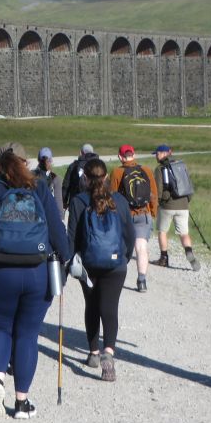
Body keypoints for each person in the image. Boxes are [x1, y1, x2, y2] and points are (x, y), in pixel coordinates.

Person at [0, 143, 71, 420]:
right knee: (27, 335)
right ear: (24, 165)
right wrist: (66, 259)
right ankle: (22, 402)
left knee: (0, 326)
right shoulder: (39, 189)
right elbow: (58, 233)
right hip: (36, 273)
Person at [67, 158, 136, 382]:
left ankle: (94, 352)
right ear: (106, 177)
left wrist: (70, 263)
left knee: (92, 306)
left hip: (88, 264)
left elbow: (72, 238)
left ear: (85, 178)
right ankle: (109, 352)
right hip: (116, 265)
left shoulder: (78, 201)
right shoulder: (119, 201)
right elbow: (130, 235)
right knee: (110, 307)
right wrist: (123, 258)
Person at [109, 144, 158, 293]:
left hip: (124, 216)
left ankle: (115, 278)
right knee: (141, 247)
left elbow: (113, 196)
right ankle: (142, 280)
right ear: (134, 155)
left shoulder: (117, 172)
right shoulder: (147, 170)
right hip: (144, 214)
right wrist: (152, 213)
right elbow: (153, 194)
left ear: (120, 156)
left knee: (120, 247)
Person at [151, 144, 201, 271]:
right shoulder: (181, 166)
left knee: (162, 231)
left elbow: (158, 189)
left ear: (164, 153)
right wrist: (186, 200)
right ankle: (189, 253)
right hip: (184, 204)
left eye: (157, 153)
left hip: (167, 205)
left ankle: (164, 258)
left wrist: (159, 202)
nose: (156, 156)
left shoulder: (159, 169)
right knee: (184, 233)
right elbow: (188, 186)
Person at [62, 143, 100, 210]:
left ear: (81, 153)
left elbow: (66, 185)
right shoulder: (98, 165)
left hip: (76, 202)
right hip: (94, 202)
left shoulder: (73, 166)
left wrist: (64, 201)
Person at [33, 147, 63, 215]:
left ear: (38, 160)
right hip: (50, 215)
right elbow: (58, 201)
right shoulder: (56, 178)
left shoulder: (30, 176)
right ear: (51, 160)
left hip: (34, 214)